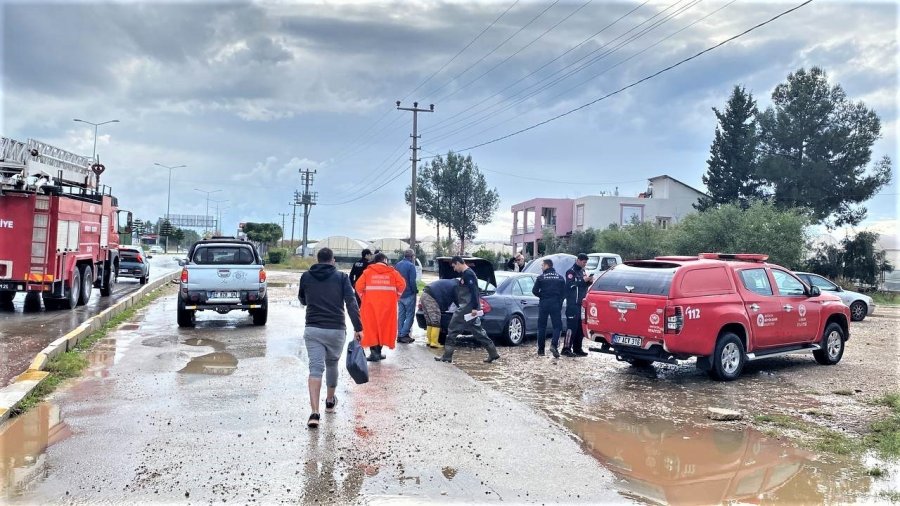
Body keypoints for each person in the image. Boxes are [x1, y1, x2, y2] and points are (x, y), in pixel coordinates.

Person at [298, 247, 363, 429]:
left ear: (318, 260)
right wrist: (359, 328)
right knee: (332, 364)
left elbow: (302, 299)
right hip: (335, 329)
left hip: (313, 328)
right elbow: (351, 302)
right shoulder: (341, 278)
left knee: (315, 368)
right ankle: (329, 401)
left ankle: (314, 413)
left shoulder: (306, 276)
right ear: (332, 260)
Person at [435, 256, 500, 364]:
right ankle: (493, 353)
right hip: (469, 308)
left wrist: (474, 308)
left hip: (467, 309)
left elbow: (474, 292)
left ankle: (447, 356)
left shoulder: (468, 274)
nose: (454, 269)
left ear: (458, 263)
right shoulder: (467, 274)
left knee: (452, 329)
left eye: (454, 266)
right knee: (478, 331)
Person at [355, 252, 406, 362]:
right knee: (383, 328)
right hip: (388, 307)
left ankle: (374, 353)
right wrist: (396, 297)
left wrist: (364, 298)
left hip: (370, 306)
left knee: (371, 328)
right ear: (385, 260)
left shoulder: (367, 273)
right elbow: (402, 285)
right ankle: (378, 352)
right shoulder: (393, 273)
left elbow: (358, 287)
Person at [532, 258, 565, 358]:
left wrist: (542, 296)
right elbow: (564, 293)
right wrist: (559, 301)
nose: (541, 267)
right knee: (557, 326)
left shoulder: (540, 278)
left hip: (544, 304)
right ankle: (554, 345)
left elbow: (534, 291)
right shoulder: (560, 278)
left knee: (542, 326)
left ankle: (541, 350)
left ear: (547, 266)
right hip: (555, 303)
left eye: (542, 265)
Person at [563, 253, 594, 357]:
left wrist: (589, 281)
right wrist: (582, 280)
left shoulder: (583, 271)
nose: (585, 264)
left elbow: (583, 285)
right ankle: (566, 348)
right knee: (572, 327)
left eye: (586, 262)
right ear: (578, 260)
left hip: (581, 304)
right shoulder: (570, 272)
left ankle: (577, 348)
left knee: (580, 328)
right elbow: (570, 285)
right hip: (572, 304)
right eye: (584, 262)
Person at [420, 279, 457, 348]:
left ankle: (429, 341)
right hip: (431, 297)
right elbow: (456, 299)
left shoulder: (450, 282)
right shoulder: (455, 286)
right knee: (435, 321)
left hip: (424, 295)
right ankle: (434, 343)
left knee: (429, 321)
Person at [395, 249, 419, 344]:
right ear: (412, 256)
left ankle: (399, 334)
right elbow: (412, 281)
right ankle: (404, 335)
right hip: (409, 294)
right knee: (409, 315)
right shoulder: (411, 266)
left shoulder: (398, 265)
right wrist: (415, 291)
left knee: (401, 315)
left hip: (399, 294)